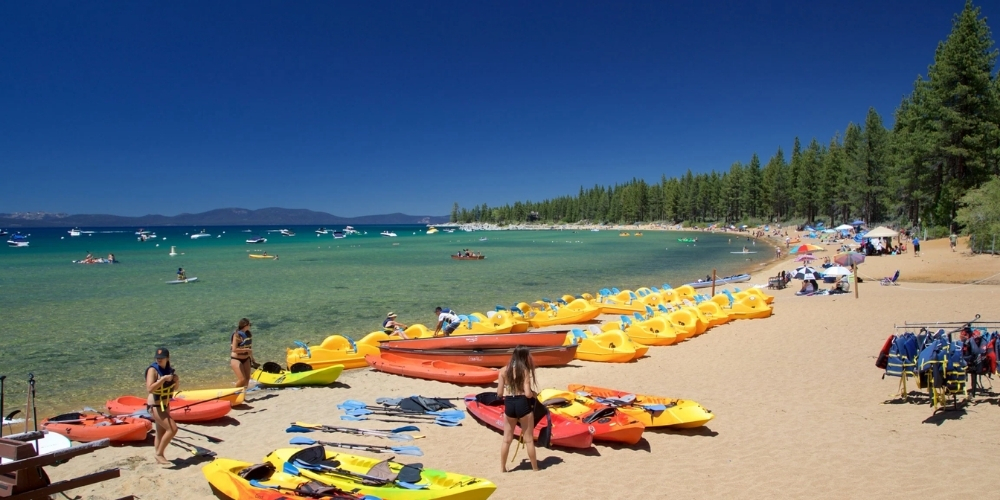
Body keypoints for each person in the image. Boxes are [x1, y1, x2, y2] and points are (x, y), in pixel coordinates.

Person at [497, 345, 539, 472]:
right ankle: (535, 468)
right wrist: (533, 394)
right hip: (522, 403)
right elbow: (527, 394)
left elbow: (499, 393)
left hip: (509, 403)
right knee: (529, 440)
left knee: (506, 440)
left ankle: (503, 468)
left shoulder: (503, 371)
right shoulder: (524, 370)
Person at [146, 347, 178, 465]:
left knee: (161, 432)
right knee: (173, 429)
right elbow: (150, 388)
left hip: (165, 404)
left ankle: (159, 457)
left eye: (161, 358)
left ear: (167, 358)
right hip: (155, 405)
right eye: (157, 358)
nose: (159, 360)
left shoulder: (169, 370)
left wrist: (176, 380)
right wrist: (163, 379)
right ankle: (159, 454)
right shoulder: (152, 370)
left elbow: (175, 388)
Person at [230, 318, 254, 388]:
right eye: (250, 324)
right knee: (242, 379)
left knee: (247, 379)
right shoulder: (237, 335)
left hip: (246, 359)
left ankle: (243, 394)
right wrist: (245, 349)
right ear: (245, 325)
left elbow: (249, 349)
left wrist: (252, 359)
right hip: (236, 359)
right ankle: (234, 392)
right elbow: (234, 349)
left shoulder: (248, 334)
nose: (250, 326)